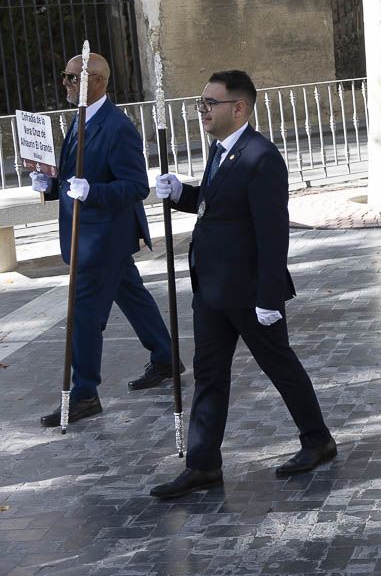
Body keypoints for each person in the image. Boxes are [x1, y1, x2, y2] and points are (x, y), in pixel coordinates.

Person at [149, 71, 335, 499]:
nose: (203, 111)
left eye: (210, 103)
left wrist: (269, 296)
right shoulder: (220, 151)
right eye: (201, 102)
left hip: (250, 292)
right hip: (212, 290)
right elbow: (216, 205)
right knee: (209, 375)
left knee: (280, 366)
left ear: (240, 108)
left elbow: (273, 234)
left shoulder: (261, 157)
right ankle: (202, 464)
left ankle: (317, 440)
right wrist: (181, 193)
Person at [30, 53, 177, 427]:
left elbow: (135, 187)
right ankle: (165, 357)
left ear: (94, 81)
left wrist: (92, 192)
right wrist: (50, 187)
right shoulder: (80, 121)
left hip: (102, 238)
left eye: (69, 77)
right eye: (64, 76)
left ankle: (84, 394)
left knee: (83, 316)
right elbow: (73, 178)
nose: (63, 83)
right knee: (132, 294)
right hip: (91, 234)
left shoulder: (116, 127)